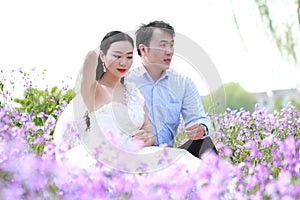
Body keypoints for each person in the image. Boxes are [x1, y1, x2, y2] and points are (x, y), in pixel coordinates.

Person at [53, 31, 203, 173]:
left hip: (135, 156)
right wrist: (94, 55)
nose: (124, 62)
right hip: (102, 159)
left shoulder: (134, 93)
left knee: (185, 161)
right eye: (117, 56)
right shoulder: (93, 91)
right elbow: (88, 62)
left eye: (129, 56)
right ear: (103, 56)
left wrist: (146, 138)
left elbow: (149, 132)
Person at [125, 20, 218, 158]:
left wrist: (201, 129)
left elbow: (198, 117)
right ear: (143, 49)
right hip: (136, 155)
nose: (169, 52)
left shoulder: (182, 82)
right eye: (163, 46)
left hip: (169, 155)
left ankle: (222, 179)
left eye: (171, 45)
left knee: (205, 144)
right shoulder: (126, 82)